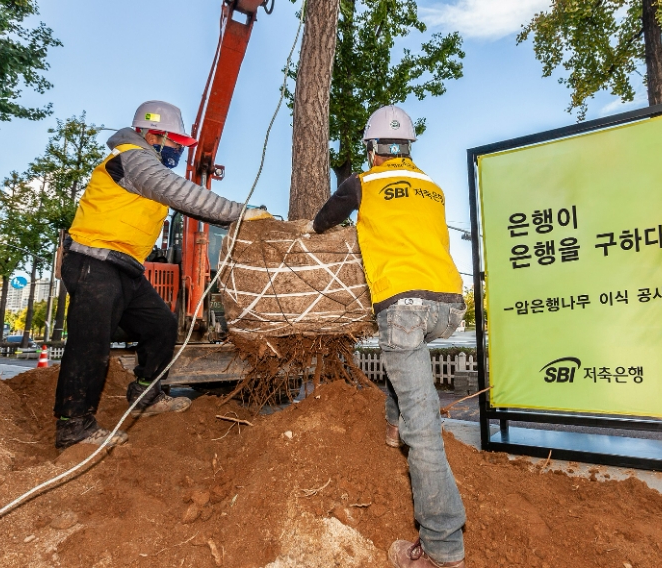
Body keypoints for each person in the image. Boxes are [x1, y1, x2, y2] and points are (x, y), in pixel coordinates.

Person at [55, 100, 265, 450]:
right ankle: (73, 425)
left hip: (125, 267)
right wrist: (240, 214)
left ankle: (145, 396)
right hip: (95, 262)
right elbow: (184, 195)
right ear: (154, 135)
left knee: (162, 326)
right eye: (176, 144)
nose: (178, 152)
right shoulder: (133, 158)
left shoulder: (144, 166)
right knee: (91, 344)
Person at [313, 105, 467, 568]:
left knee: (426, 437)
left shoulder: (364, 182)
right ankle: (392, 424)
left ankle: (441, 549)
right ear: (408, 147)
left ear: (372, 149)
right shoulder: (433, 187)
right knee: (410, 363)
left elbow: (322, 221)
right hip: (449, 306)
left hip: (403, 306)